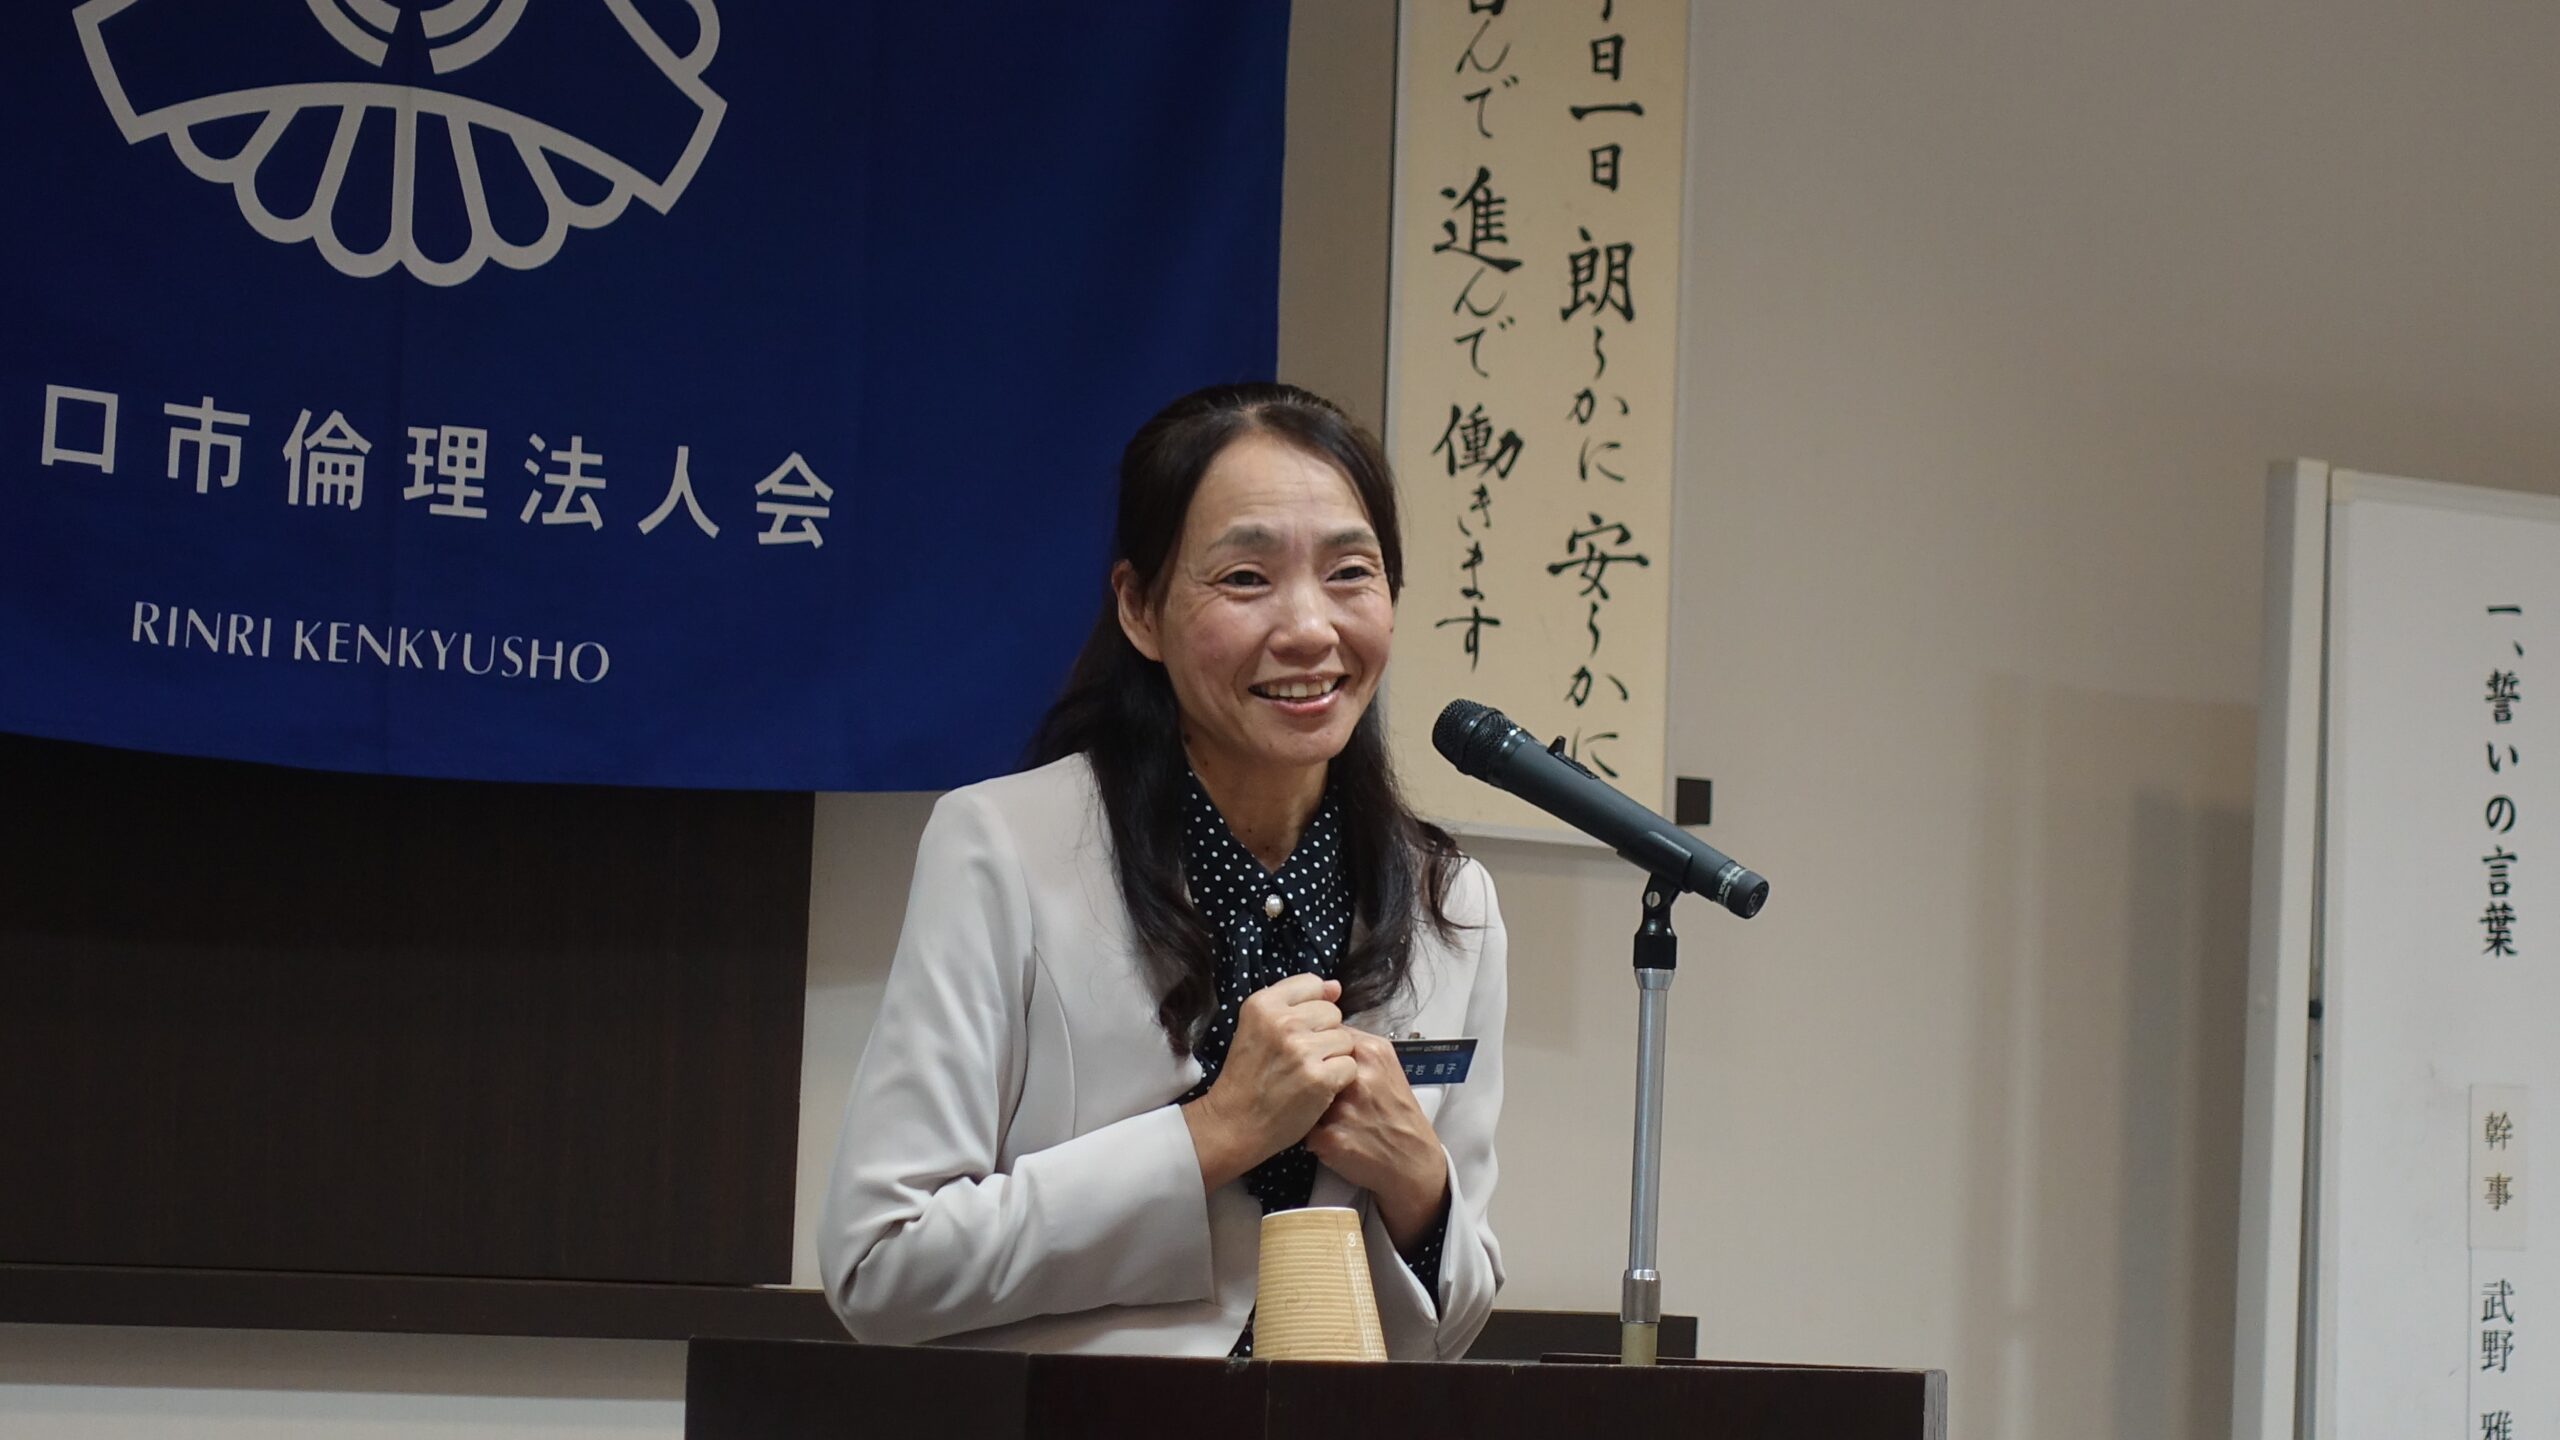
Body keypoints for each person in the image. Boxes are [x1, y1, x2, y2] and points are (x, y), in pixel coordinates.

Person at [817, 383, 1506, 1359]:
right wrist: (1212, 1134)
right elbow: (878, 1264)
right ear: (1140, 609)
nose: (1311, 628)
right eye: (1246, 578)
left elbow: (1455, 1325)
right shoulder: (1001, 846)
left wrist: (1417, 1184)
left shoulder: (1449, 901)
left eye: (1351, 573)